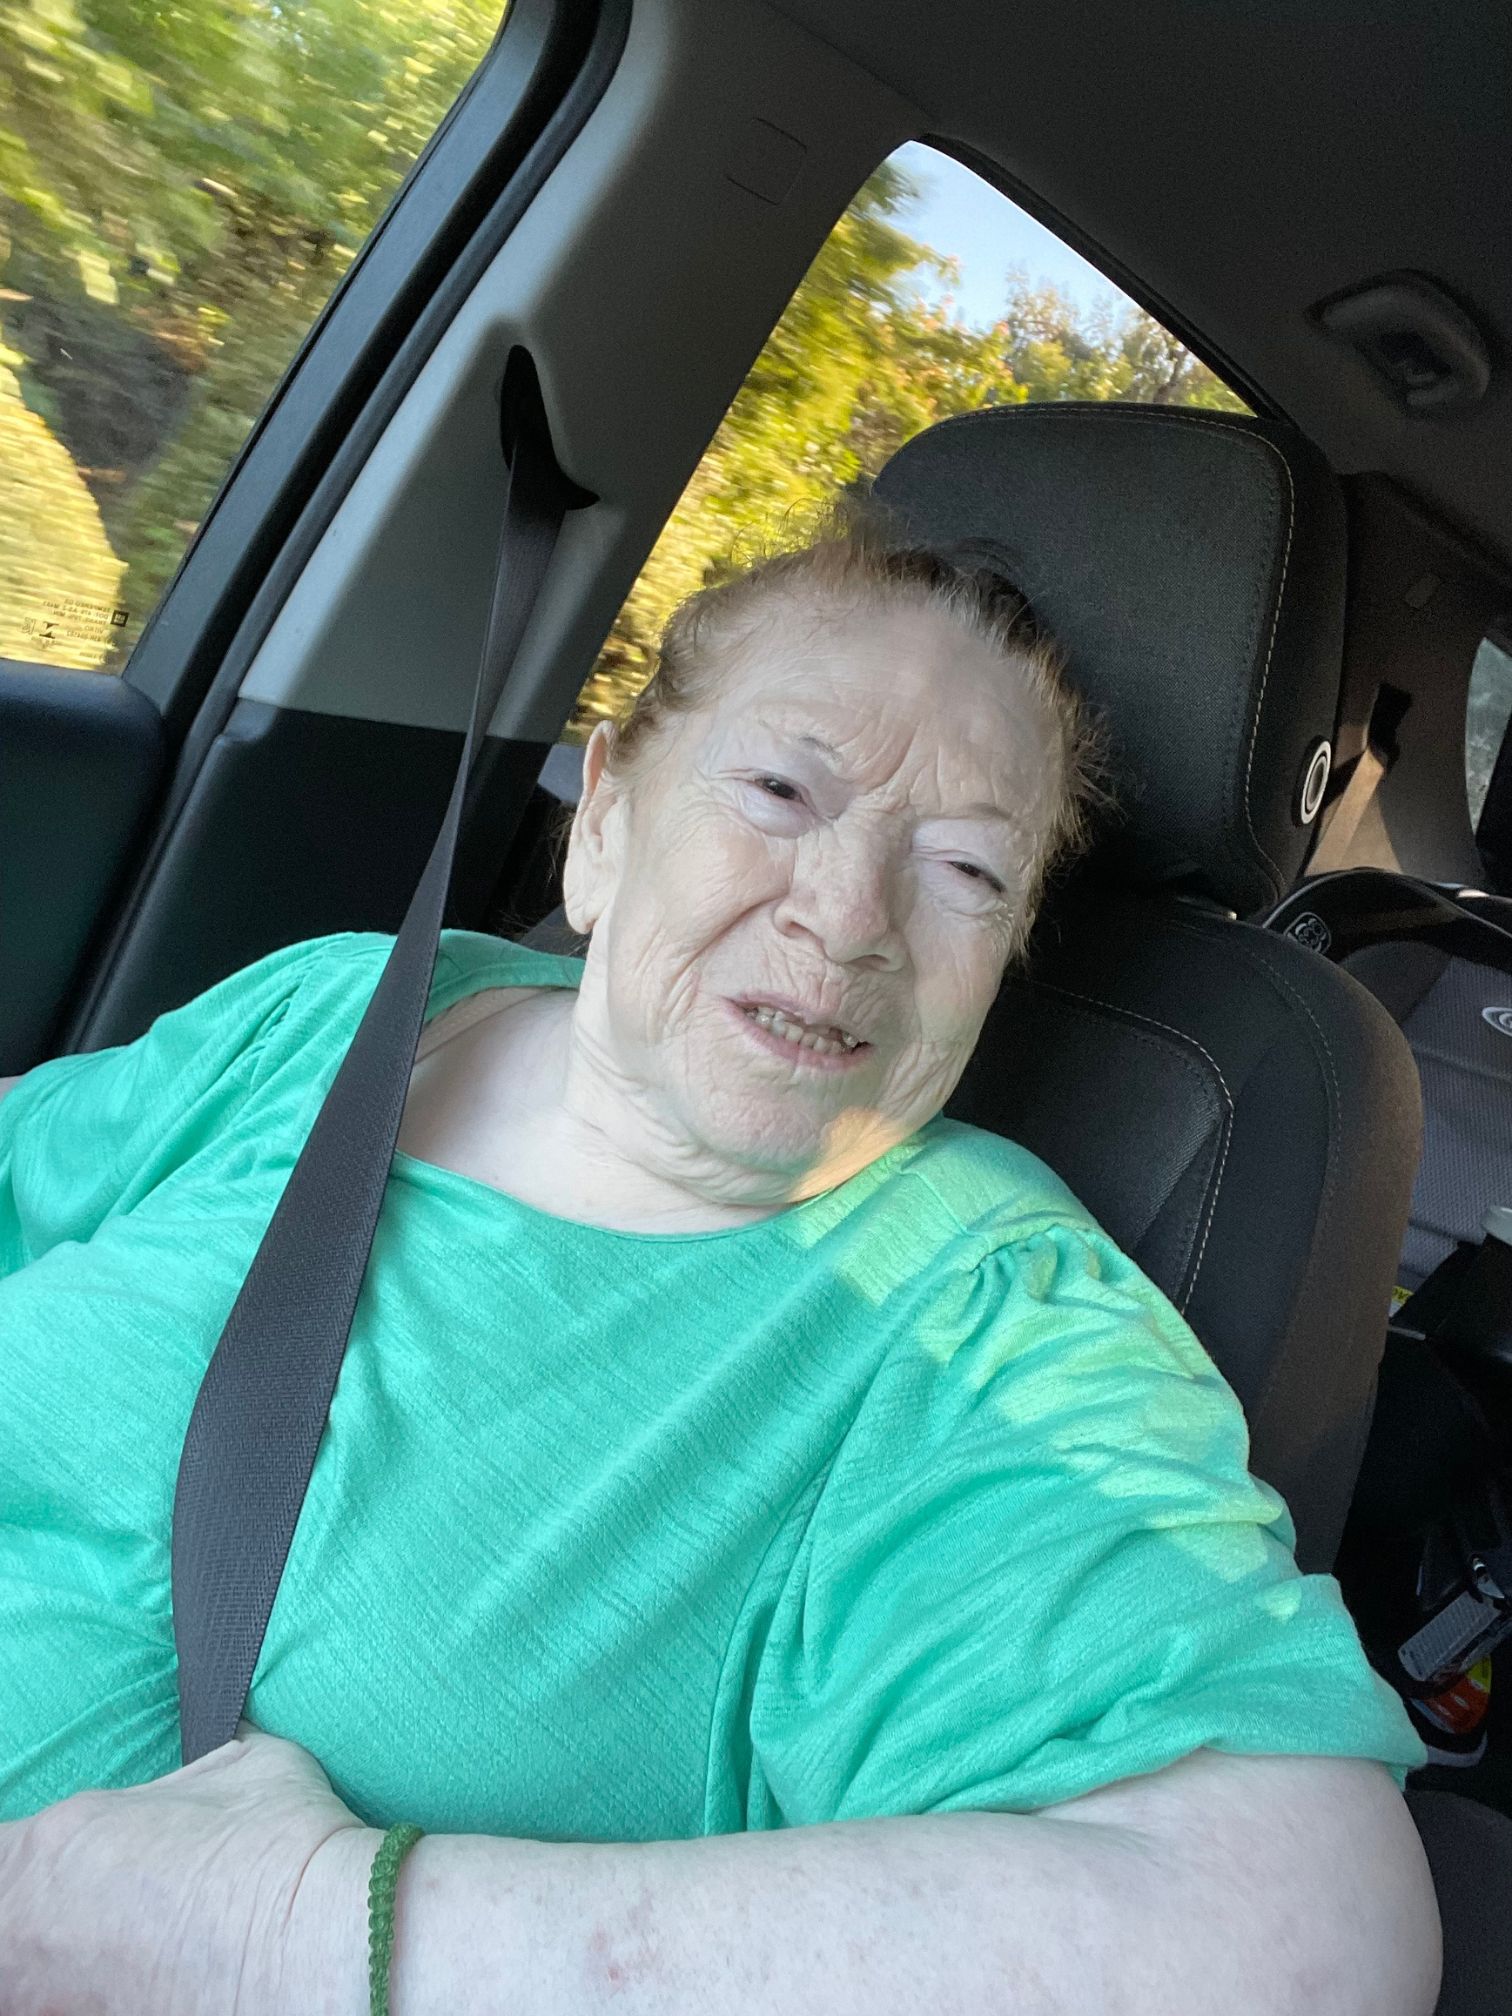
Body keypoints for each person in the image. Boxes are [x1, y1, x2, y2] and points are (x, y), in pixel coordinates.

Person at [0, 522, 1441, 2013]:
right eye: (781, 792)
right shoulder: (342, 1006)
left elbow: (1300, 1935)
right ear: (607, 818)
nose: (849, 916)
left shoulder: (978, 1324)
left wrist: (282, 1934)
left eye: (964, 870)